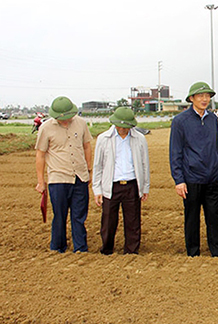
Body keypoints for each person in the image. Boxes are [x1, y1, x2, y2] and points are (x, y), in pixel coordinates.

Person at [169, 82, 218, 257]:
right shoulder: (180, 121)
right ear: (191, 98)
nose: (204, 99)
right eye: (200, 96)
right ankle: (193, 253)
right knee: (192, 218)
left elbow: (217, 147)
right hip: (192, 179)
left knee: (214, 217)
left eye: (207, 96)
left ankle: (217, 252)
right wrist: (179, 180)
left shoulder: (212, 119)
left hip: (212, 178)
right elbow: (175, 152)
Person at [35, 96, 92, 253]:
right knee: (59, 216)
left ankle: (81, 248)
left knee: (79, 217)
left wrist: (88, 168)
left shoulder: (81, 123)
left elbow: (87, 146)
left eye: (68, 118)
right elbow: (40, 155)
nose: (66, 121)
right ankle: (58, 247)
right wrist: (41, 181)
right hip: (58, 178)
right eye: (62, 119)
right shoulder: (46, 128)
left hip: (80, 177)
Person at [92, 107, 150, 255]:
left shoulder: (139, 139)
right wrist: (97, 189)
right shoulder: (103, 139)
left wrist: (145, 188)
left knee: (133, 221)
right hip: (111, 185)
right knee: (108, 221)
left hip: (132, 184)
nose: (124, 129)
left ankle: (131, 251)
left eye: (127, 126)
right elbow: (97, 166)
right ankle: (107, 249)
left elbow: (144, 164)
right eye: (121, 126)